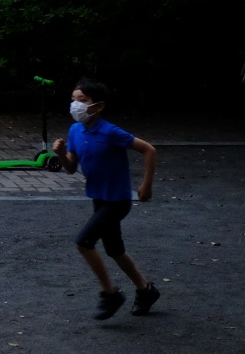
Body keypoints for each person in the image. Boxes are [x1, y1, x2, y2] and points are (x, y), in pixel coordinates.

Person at [52, 77, 161, 320]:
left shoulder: (110, 132)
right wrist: (61, 154)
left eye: (82, 100)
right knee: (115, 249)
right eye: (73, 100)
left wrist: (146, 186)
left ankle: (110, 293)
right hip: (98, 198)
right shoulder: (75, 130)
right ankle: (146, 290)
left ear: (98, 106)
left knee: (84, 242)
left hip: (118, 200)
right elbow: (71, 167)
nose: (75, 105)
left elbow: (149, 149)